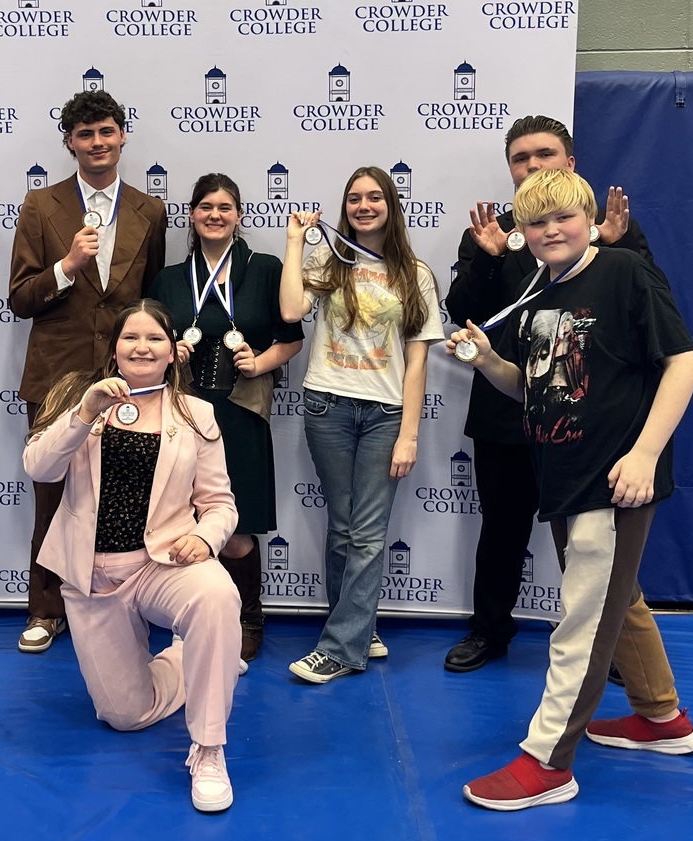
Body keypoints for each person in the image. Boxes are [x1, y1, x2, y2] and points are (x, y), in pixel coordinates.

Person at [447, 168, 693, 811]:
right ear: (523, 234)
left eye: (563, 216)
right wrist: (486, 362)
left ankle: (548, 761)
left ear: (589, 218)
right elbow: (527, 387)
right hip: (562, 475)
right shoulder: (539, 294)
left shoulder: (623, 272)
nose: (550, 229)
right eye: (536, 222)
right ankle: (660, 717)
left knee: (584, 618)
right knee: (620, 599)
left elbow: (684, 362)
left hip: (611, 479)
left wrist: (644, 455)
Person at [444, 115, 664, 676]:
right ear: (510, 168)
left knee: (596, 543)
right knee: (502, 531)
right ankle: (489, 632)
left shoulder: (604, 232)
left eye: (544, 153)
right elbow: (464, 313)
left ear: (569, 160)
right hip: (508, 409)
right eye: (521, 158)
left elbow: (656, 314)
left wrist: (619, 243)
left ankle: (610, 642)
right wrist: (491, 258)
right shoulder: (495, 233)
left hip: (590, 420)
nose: (532, 164)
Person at [22, 300, 242, 812]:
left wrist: (207, 539)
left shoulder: (197, 413)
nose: (142, 347)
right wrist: (84, 412)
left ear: (173, 352)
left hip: (164, 565)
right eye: (130, 338)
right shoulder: (82, 399)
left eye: (154, 339)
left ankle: (208, 749)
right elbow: (39, 467)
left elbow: (220, 504)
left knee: (216, 596)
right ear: (114, 349)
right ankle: (203, 657)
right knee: (126, 715)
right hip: (94, 574)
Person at [10, 89, 167, 655]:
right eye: (85, 135)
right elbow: (20, 299)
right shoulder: (39, 206)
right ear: (70, 143)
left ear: (123, 135)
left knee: (124, 497)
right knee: (51, 496)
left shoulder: (151, 210)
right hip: (56, 380)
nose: (97, 143)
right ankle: (46, 609)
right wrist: (67, 266)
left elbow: (148, 304)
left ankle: (119, 606)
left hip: (127, 379)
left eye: (106, 132)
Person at [279, 167, 444, 683]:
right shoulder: (330, 257)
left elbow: (417, 363)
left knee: (368, 534)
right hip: (327, 405)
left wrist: (409, 434)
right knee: (343, 528)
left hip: (385, 414)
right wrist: (293, 242)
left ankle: (341, 647)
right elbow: (290, 308)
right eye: (354, 198)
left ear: (391, 205)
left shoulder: (414, 273)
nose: (364, 205)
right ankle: (357, 624)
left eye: (375, 197)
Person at [150, 173, 304, 664]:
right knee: (180, 519)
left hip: (240, 411)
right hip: (183, 411)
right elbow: (141, 340)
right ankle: (187, 616)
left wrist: (260, 362)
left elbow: (293, 337)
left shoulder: (263, 268)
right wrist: (166, 350)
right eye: (205, 207)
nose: (214, 215)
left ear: (239, 216)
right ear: (191, 216)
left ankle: (247, 618)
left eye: (225, 207)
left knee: (237, 527)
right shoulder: (170, 279)